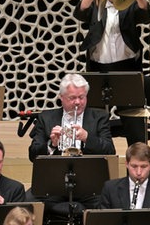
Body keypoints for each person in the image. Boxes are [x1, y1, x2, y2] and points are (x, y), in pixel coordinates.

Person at [74, 0, 150, 146]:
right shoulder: (96, 4)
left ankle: (138, 166)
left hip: (127, 69)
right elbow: (80, 13)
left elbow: (146, 15)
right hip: (98, 70)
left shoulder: (131, 3)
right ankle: (98, 163)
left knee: (134, 122)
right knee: (94, 122)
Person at [27, 73, 115, 211]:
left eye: (82, 97)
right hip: (54, 183)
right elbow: (33, 155)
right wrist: (52, 145)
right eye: (72, 98)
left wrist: (87, 138)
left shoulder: (99, 117)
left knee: (109, 201)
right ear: (61, 98)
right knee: (28, 201)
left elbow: (110, 150)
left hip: (89, 185)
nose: (78, 102)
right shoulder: (46, 117)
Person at [100, 142, 150, 209]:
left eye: (143, 167)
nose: (138, 172)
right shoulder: (110, 188)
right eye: (134, 166)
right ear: (127, 164)